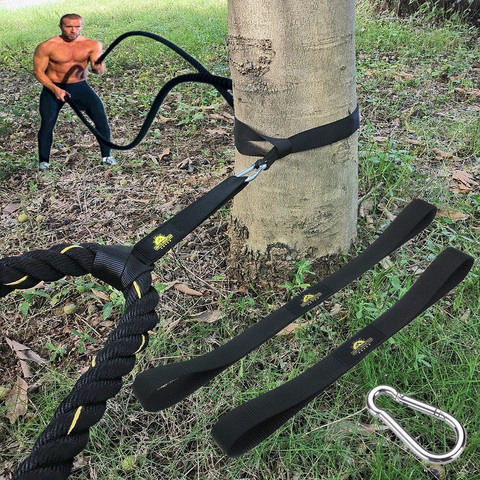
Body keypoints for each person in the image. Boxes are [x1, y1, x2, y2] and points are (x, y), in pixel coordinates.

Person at [33, 13, 116, 169]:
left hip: (79, 86)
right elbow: (38, 72)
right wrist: (55, 89)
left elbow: (97, 69)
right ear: (60, 27)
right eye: (69, 26)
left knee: (100, 117)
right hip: (53, 87)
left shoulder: (92, 45)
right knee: (47, 122)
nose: (73, 30)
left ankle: (106, 157)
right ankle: (44, 162)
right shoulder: (47, 46)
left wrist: (98, 68)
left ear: (81, 26)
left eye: (77, 26)